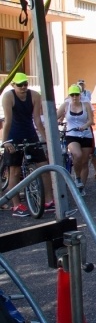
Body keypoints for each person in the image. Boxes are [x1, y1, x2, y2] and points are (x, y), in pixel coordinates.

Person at [1, 72, 55, 216]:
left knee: (43, 166)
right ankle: (16, 205)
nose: (24, 87)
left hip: (30, 132)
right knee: (15, 171)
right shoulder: (8, 96)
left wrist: (47, 142)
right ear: (13, 85)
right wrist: (5, 141)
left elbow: (37, 120)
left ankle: (49, 201)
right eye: (20, 85)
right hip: (13, 135)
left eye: (25, 84)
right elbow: (8, 121)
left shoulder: (35, 95)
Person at [57, 84, 94, 196]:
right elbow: (54, 116)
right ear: (69, 95)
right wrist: (57, 121)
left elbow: (91, 120)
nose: (74, 97)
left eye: (76, 94)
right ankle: (77, 177)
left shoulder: (86, 104)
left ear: (80, 95)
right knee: (77, 155)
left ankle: (81, 186)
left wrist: (84, 126)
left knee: (84, 161)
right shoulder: (66, 105)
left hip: (85, 134)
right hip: (72, 134)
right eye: (72, 95)